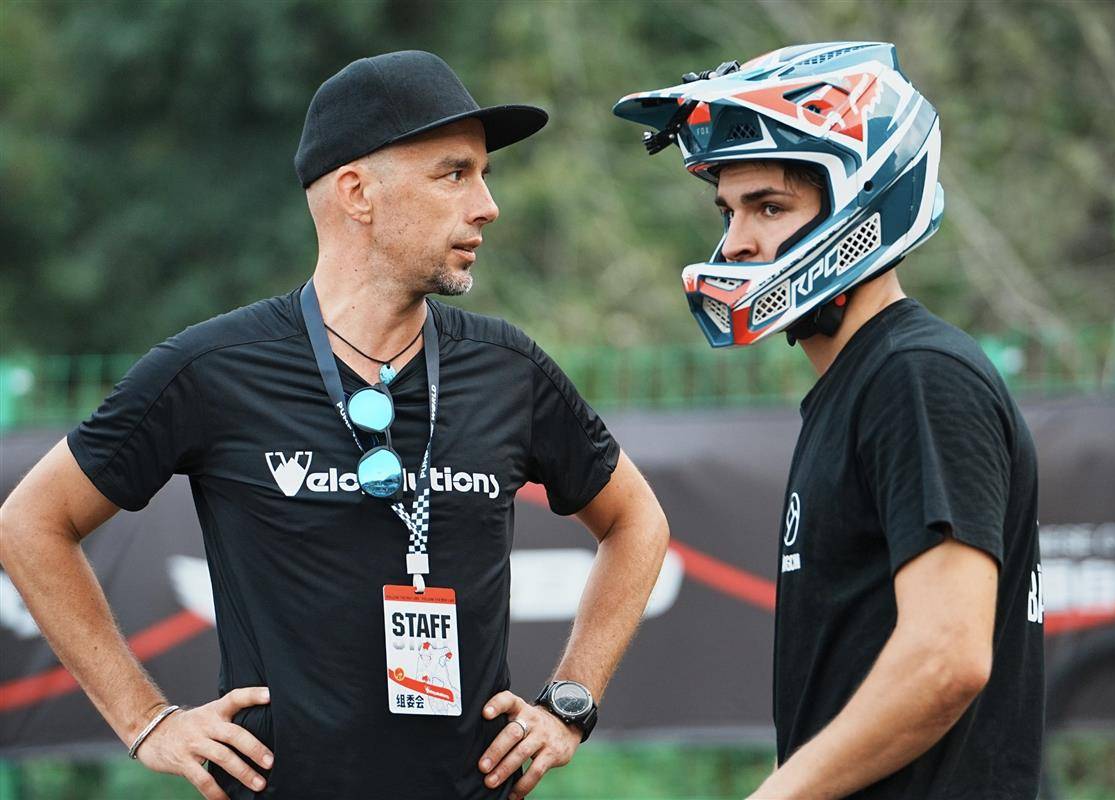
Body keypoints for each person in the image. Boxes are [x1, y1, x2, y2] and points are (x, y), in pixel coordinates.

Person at [0, 51, 669, 800]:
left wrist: (571, 703)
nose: (487, 205)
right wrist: (147, 720)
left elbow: (637, 521)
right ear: (357, 193)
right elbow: (31, 523)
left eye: (484, 174)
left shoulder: (509, 368)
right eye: (454, 174)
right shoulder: (213, 368)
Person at [614, 42, 1042, 798]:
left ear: (863, 204)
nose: (736, 241)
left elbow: (947, 656)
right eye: (729, 210)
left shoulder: (918, 378)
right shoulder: (863, 384)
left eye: (769, 207)